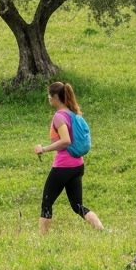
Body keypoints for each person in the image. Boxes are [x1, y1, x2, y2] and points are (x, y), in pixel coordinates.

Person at [33, 81, 104, 234]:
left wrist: (43, 149)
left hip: (63, 167)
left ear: (55, 98)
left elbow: (66, 141)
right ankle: (101, 230)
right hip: (77, 165)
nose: (48, 98)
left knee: (47, 202)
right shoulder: (73, 114)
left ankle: (41, 240)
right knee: (77, 205)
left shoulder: (60, 116)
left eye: (49, 95)